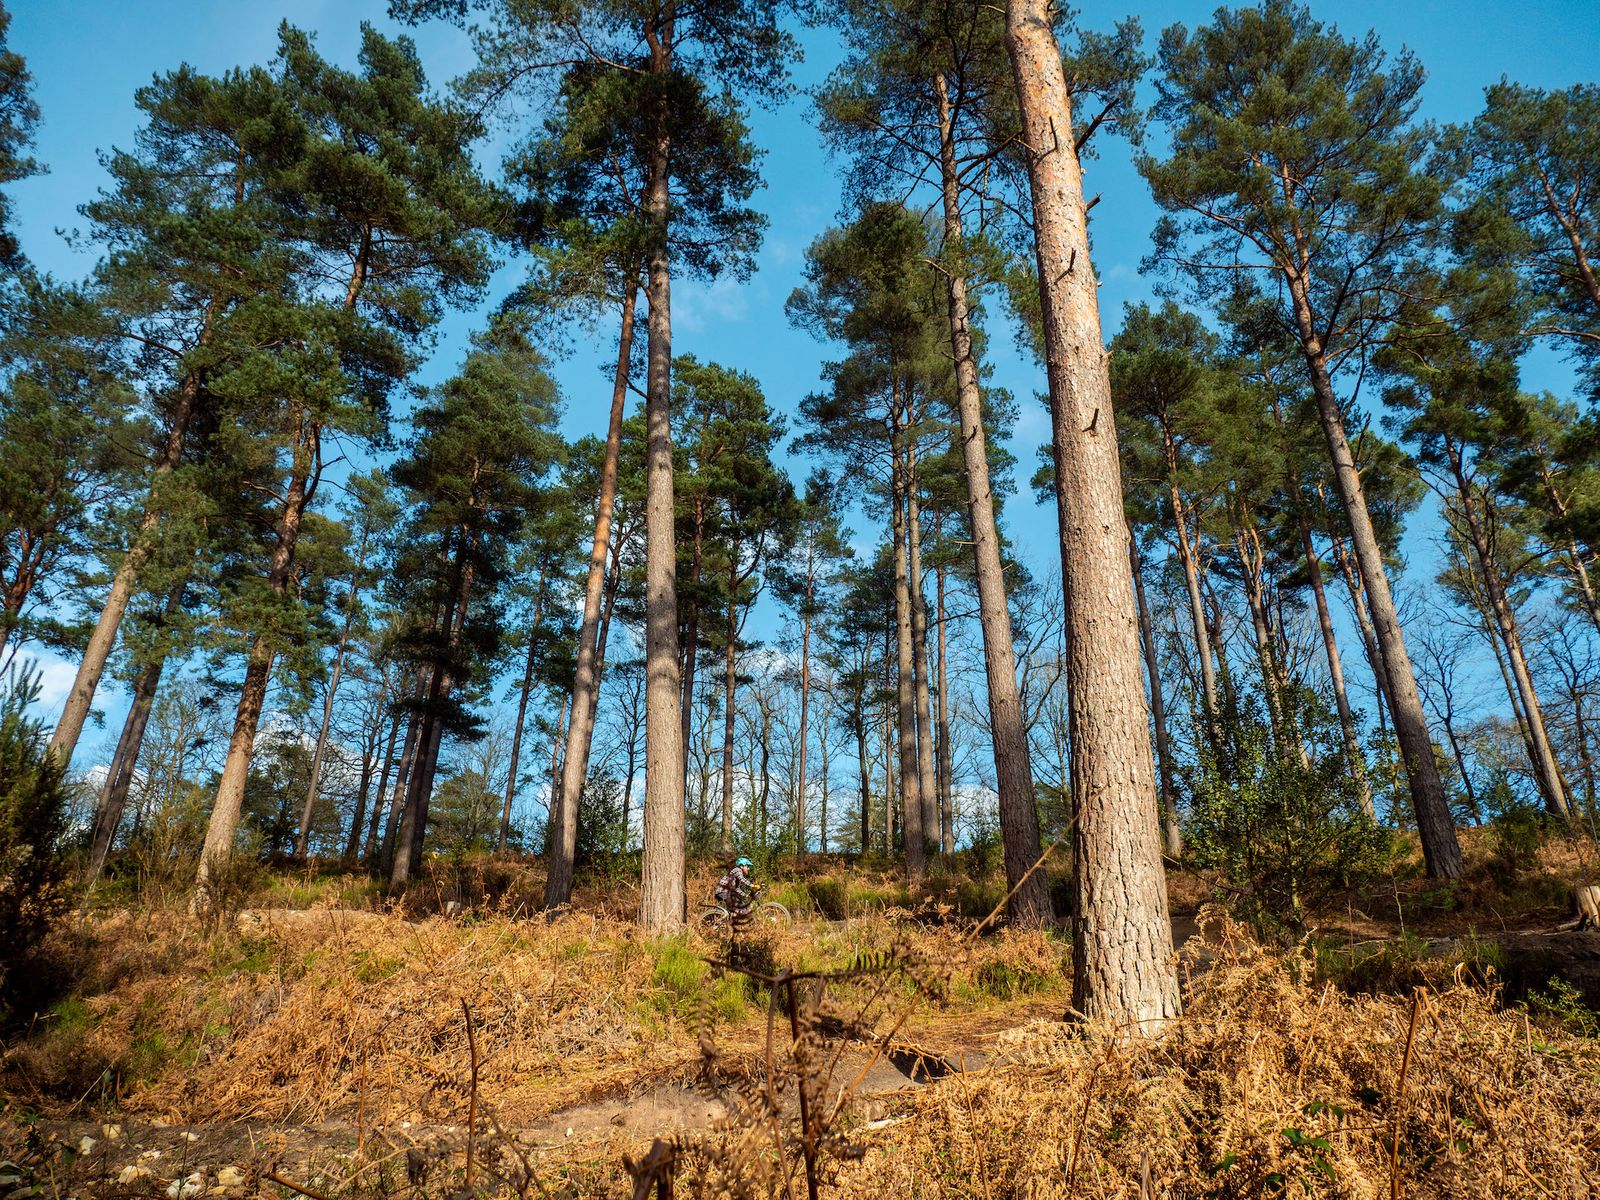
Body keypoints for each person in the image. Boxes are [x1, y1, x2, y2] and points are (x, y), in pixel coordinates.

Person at [714, 856, 757, 921]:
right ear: (742, 866)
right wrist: (752, 885)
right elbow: (742, 879)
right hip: (722, 892)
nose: (748, 869)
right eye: (747, 866)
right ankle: (730, 920)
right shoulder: (737, 870)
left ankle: (732, 919)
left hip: (724, 892)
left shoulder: (736, 877)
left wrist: (746, 895)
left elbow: (737, 889)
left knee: (741, 903)